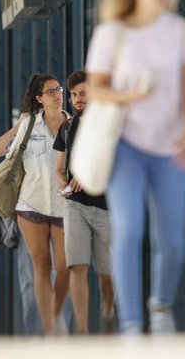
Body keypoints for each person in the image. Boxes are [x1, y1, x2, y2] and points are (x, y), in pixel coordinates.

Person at [85, 0, 185, 335]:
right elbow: (96, 88)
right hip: (125, 145)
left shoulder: (183, 32)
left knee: (171, 242)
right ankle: (132, 323)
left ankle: (161, 304)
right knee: (129, 229)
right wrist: (130, 97)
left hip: (170, 146)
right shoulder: (113, 33)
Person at [0, 74, 69, 335]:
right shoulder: (29, 126)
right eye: (50, 91)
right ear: (39, 99)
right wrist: (19, 126)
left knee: (64, 272)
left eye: (59, 89)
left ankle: (60, 332)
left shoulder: (74, 124)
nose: (58, 93)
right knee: (33, 275)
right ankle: (36, 336)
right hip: (30, 207)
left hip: (63, 210)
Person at [53, 71, 116, 335]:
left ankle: (108, 307)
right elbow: (58, 168)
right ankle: (82, 331)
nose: (77, 99)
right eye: (74, 95)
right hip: (75, 205)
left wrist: (85, 170)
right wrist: (63, 184)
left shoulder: (107, 124)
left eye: (83, 93)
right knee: (76, 265)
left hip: (104, 206)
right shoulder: (67, 128)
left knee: (105, 273)